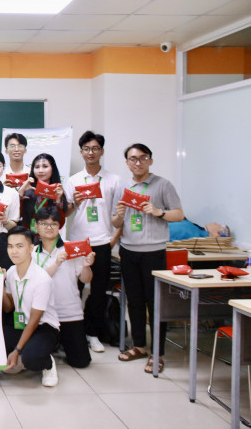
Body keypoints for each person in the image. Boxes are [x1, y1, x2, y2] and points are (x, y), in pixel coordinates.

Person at [112, 143, 184, 374]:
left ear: (150, 160)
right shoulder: (122, 187)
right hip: (129, 250)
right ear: (127, 163)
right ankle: (139, 346)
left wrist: (159, 212)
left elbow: (179, 214)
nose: (138, 162)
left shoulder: (163, 185)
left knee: (155, 303)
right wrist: (119, 216)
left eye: (143, 158)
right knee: (134, 301)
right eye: (133, 159)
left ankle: (157, 353)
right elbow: (115, 222)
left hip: (154, 252)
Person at [63, 131, 120, 352]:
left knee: (98, 291)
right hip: (78, 241)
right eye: (86, 149)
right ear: (81, 152)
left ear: (102, 151)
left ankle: (93, 333)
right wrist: (75, 203)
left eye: (95, 148)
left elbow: (118, 214)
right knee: (73, 289)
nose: (91, 152)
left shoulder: (113, 180)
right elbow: (66, 213)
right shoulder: (74, 180)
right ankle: (74, 332)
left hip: (102, 241)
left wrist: (113, 239)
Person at [33, 207, 93, 369]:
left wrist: (86, 266)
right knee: (35, 357)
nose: (49, 227)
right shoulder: (32, 253)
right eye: (44, 223)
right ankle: (52, 344)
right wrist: (56, 263)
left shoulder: (71, 249)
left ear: (59, 226)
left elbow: (86, 279)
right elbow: (35, 282)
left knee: (81, 362)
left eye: (53, 224)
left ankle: (61, 344)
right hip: (43, 316)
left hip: (70, 314)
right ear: (36, 226)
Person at [3, 226, 60, 387]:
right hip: (21, 324)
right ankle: (22, 358)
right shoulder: (12, 272)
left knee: (31, 358)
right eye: (10, 246)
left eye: (19, 246)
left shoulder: (41, 279)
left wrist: (17, 350)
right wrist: (0, 286)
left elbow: (34, 322)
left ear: (31, 248)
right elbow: (8, 308)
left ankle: (48, 363)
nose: (14, 251)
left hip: (43, 327)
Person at [18, 153, 68, 231]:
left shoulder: (57, 191)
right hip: (28, 236)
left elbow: (60, 224)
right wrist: (20, 193)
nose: (40, 170)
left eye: (45, 166)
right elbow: (16, 217)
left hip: (49, 236)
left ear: (52, 168)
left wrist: (58, 200)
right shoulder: (27, 189)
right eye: (37, 167)